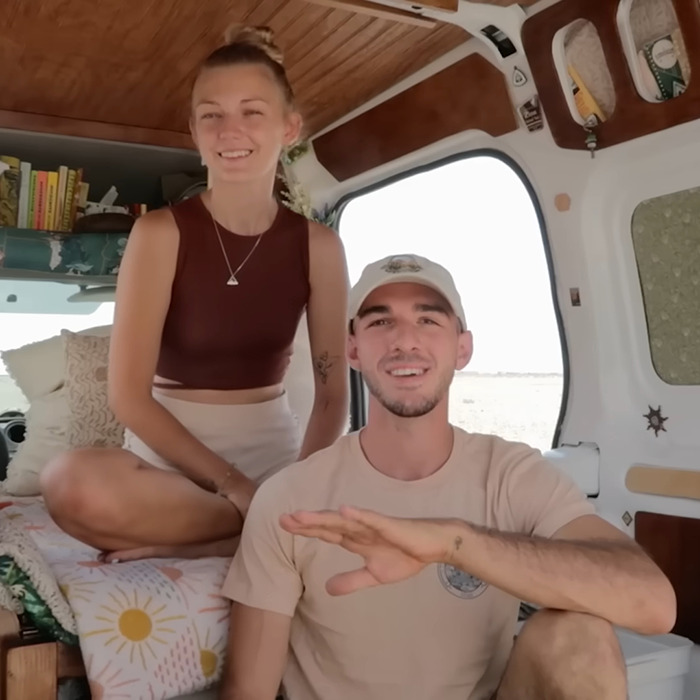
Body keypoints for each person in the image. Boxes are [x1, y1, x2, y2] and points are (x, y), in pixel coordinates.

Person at [219, 253, 676, 700]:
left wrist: (455, 544)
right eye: (380, 322)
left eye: (428, 320)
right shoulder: (291, 498)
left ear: (463, 348)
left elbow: (654, 603)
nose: (404, 340)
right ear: (352, 349)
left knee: (580, 636)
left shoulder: (511, 475)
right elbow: (248, 690)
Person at [39, 25, 349, 562]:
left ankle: (223, 538)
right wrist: (235, 488)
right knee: (69, 481)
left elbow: (331, 396)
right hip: (168, 465)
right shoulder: (159, 233)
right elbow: (129, 398)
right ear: (194, 130)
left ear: (289, 127)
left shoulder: (319, 246)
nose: (231, 130)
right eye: (212, 114)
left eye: (252, 112)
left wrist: (297, 487)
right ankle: (253, 533)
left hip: (274, 460)